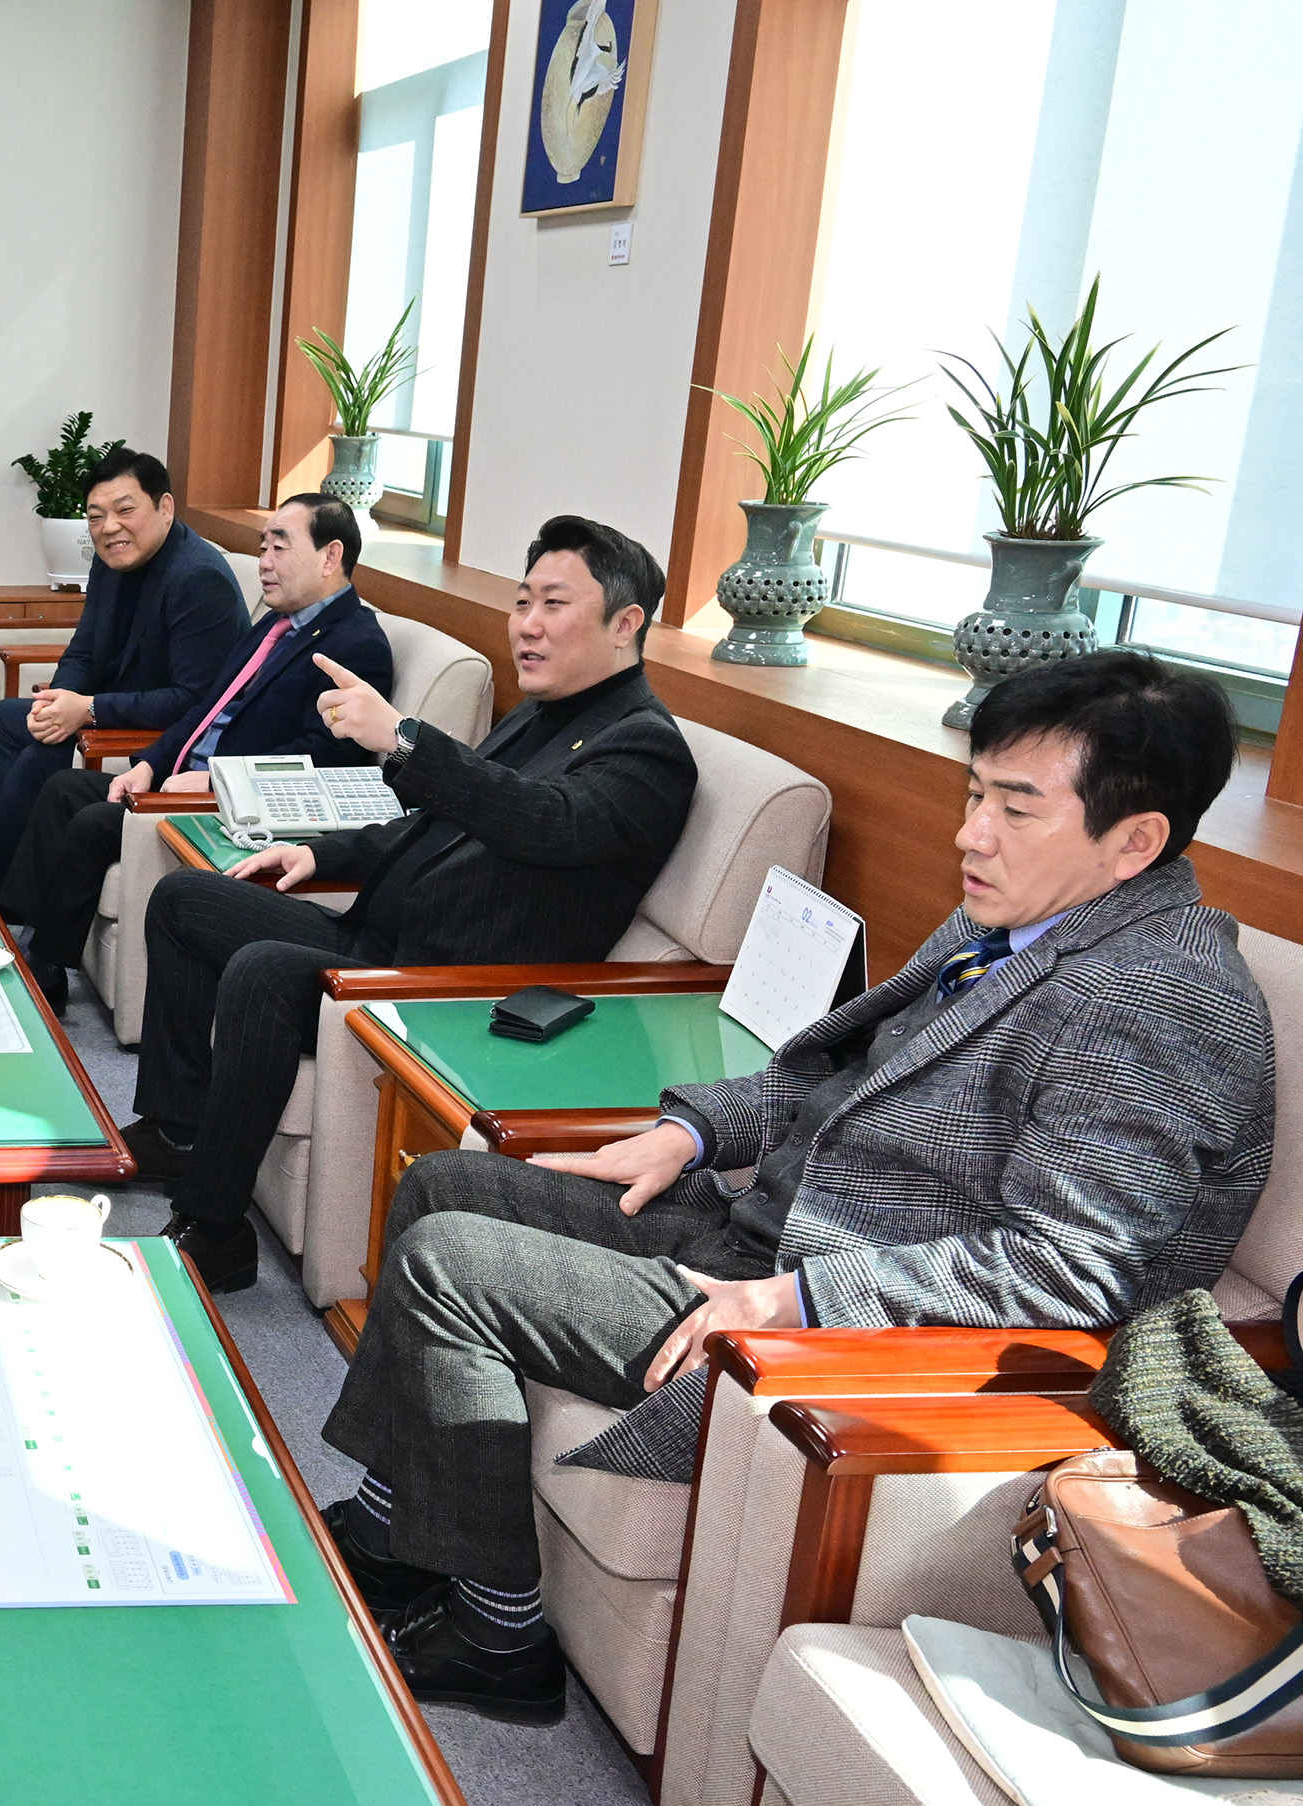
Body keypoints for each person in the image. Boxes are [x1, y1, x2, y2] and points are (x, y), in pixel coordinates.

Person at [325, 648, 1273, 1723]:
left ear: (1135, 841)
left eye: (1016, 807)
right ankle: (400, 1523)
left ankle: (498, 1636)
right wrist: (686, 1134)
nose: (970, 834)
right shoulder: (1005, 922)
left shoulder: (1162, 999)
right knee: (449, 1184)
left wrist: (792, 1302)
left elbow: (1068, 1268)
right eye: (974, 795)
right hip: (759, 1224)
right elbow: (829, 1075)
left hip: (838, 1319)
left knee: (456, 1265)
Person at [127, 514, 699, 1294]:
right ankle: (176, 1128)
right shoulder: (542, 710)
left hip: (449, 985)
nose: (527, 626)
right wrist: (322, 852)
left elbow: (542, 824)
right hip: (383, 939)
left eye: (553, 606)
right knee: (187, 899)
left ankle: (214, 1229)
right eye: (522, 601)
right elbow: (435, 821)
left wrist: (401, 738)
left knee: (263, 970)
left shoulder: (646, 748)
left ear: (626, 622)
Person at [0, 492, 390, 1005]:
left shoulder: (356, 644)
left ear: (330, 556)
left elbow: (328, 760)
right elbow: (204, 708)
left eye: (279, 547)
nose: (264, 562)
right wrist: (149, 764)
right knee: (65, 788)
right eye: (263, 546)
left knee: (94, 820)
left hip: (232, 807)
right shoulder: (274, 624)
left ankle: (45, 969)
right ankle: (20, 934)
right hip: (178, 780)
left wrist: (216, 779)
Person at [0, 446, 246, 881]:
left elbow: (196, 701)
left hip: (166, 728)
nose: (109, 527)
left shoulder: (198, 579)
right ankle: (11, 871)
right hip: (115, 706)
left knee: (47, 746)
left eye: (125, 510)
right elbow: (84, 647)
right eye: (95, 517)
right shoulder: (111, 560)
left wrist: (88, 709)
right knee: (5, 718)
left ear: (165, 507)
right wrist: (60, 699)